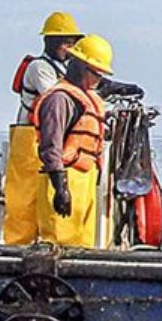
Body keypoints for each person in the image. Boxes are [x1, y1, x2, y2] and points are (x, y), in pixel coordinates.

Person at [2, 12, 140, 244]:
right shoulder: (42, 71)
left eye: (71, 42)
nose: (67, 47)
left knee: (76, 234)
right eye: (64, 42)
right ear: (49, 41)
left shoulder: (73, 82)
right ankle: (17, 255)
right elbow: (54, 115)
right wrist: (60, 185)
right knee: (23, 209)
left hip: (72, 163)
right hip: (32, 146)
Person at [30, 34, 119, 246]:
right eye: (97, 74)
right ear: (80, 67)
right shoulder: (59, 99)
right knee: (57, 244)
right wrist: (60, 188)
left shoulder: (87, 98)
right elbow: (50, 145)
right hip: (64, 180)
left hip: (84, 181)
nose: (98, 81)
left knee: (81, 245)